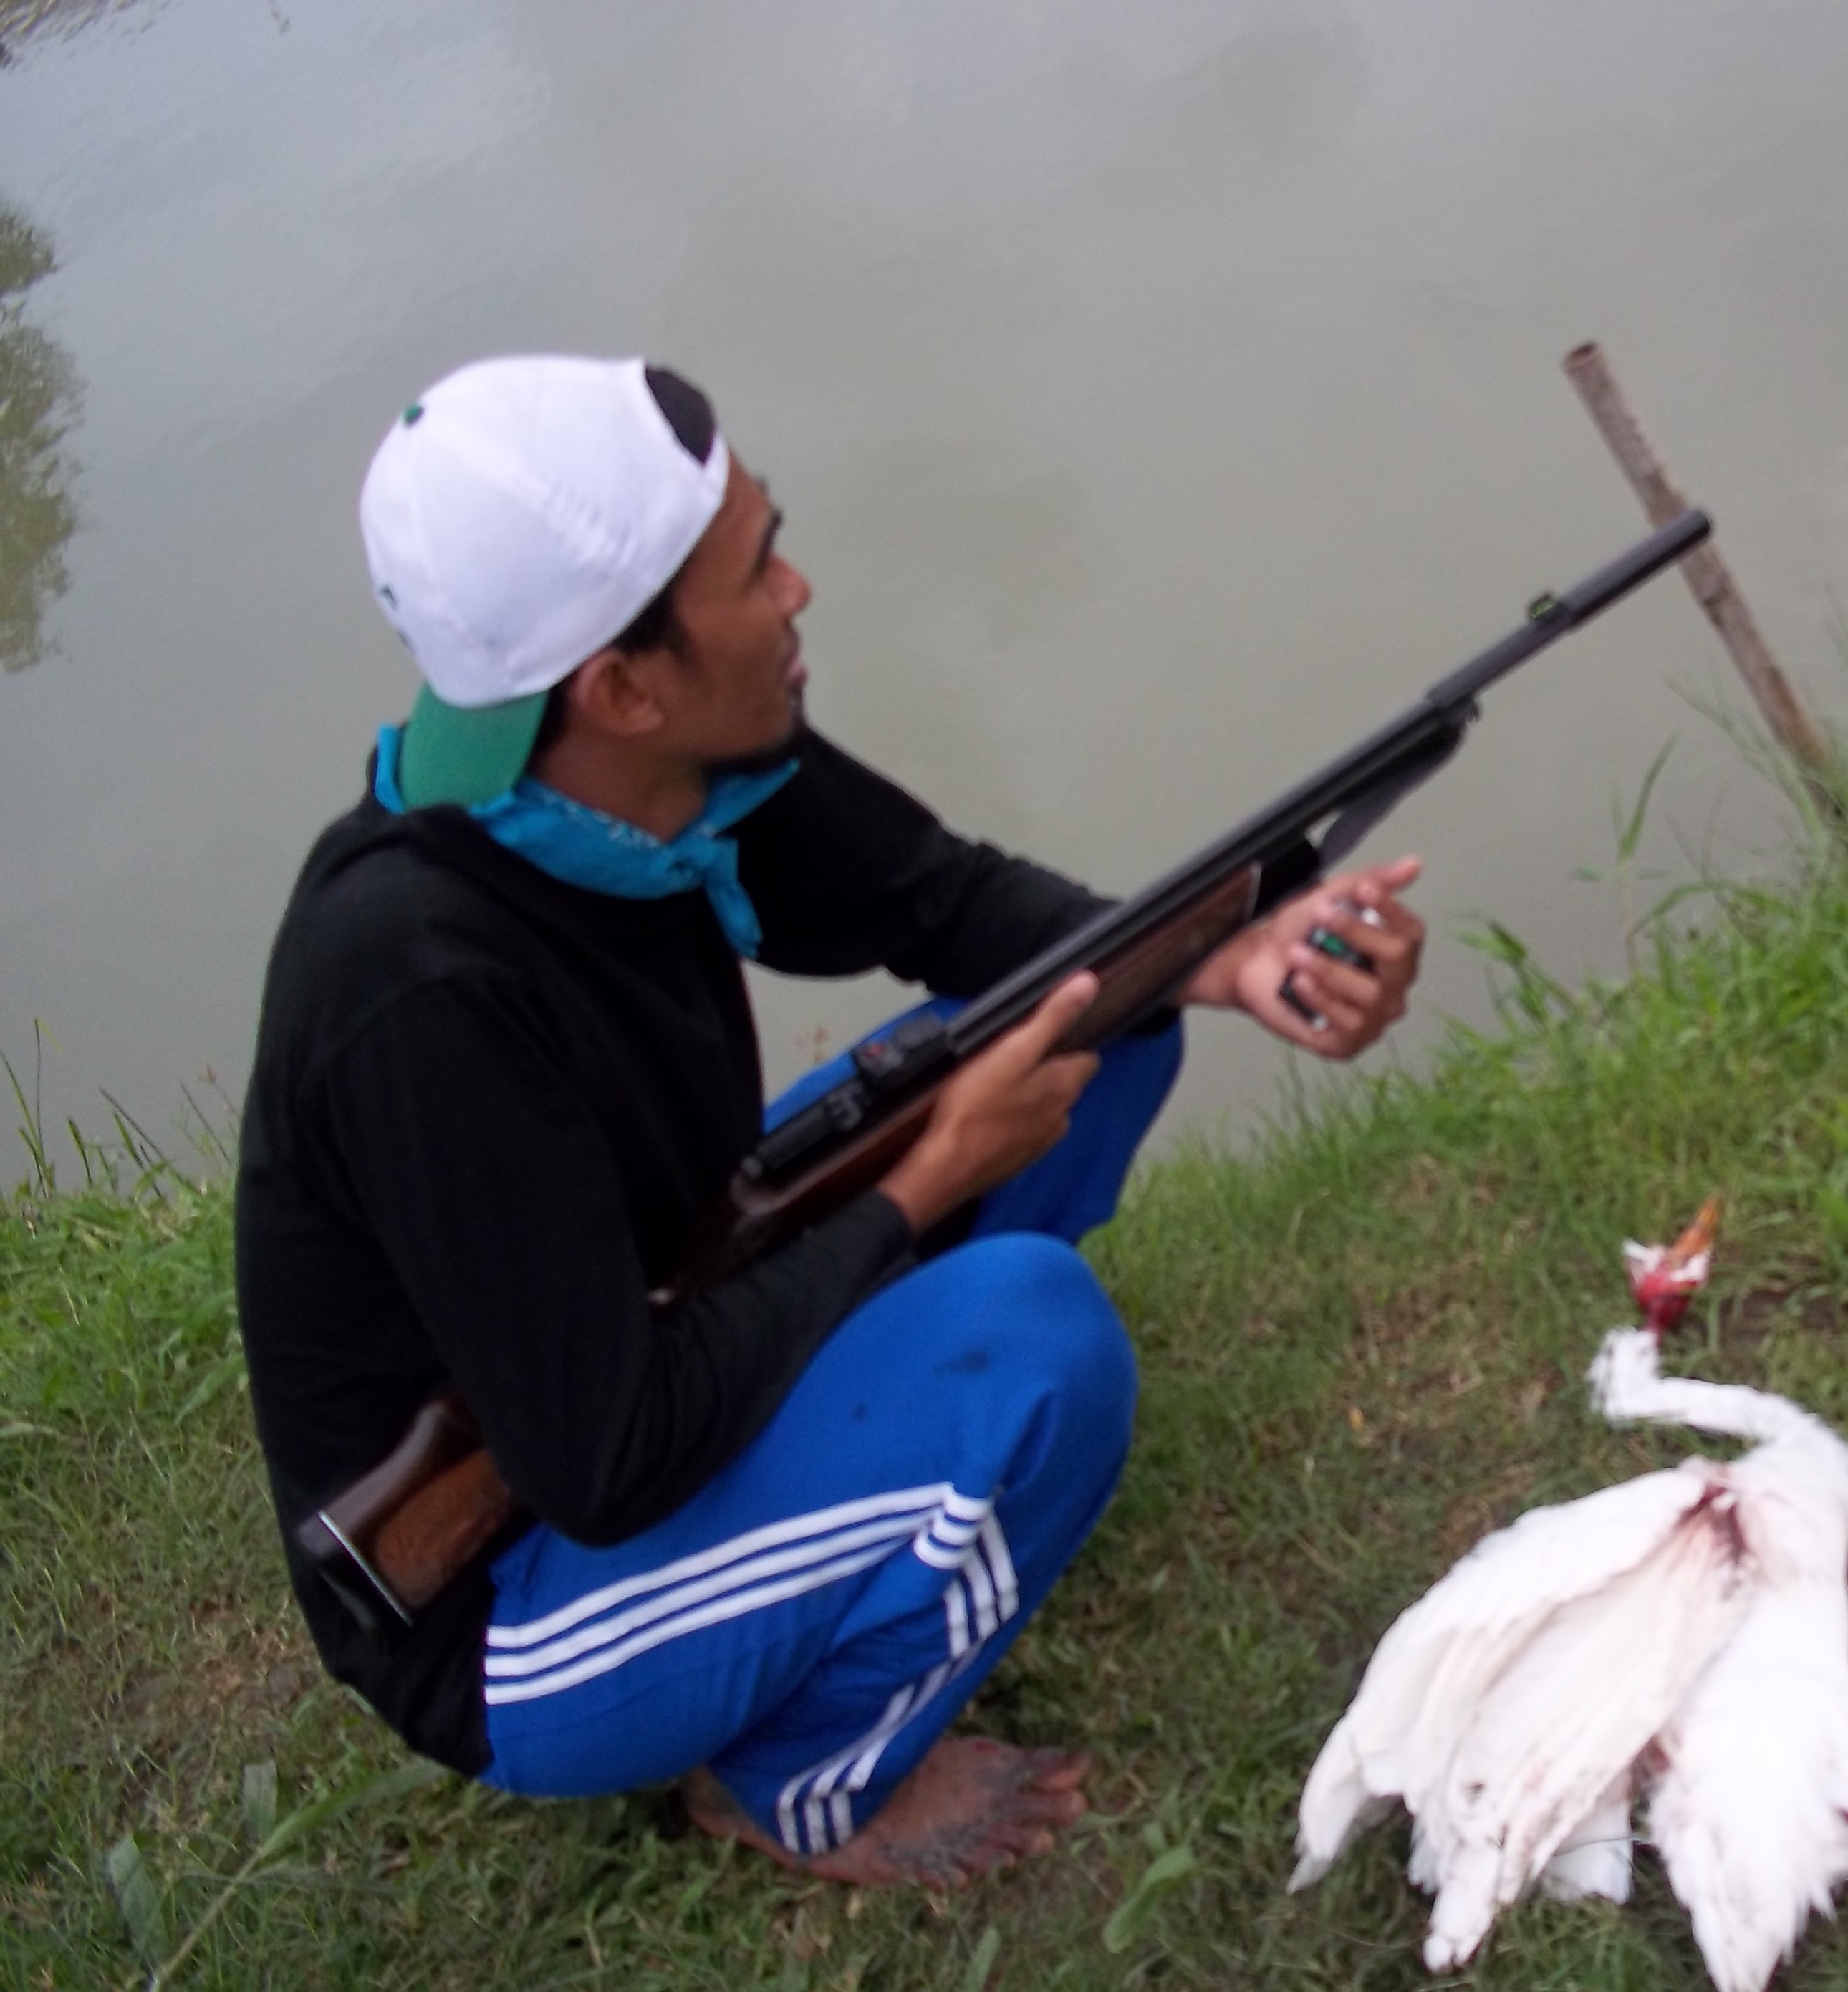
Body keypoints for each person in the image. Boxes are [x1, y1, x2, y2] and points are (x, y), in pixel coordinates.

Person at [234, 354, 1425, 1885]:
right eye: (753, 569)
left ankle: (905, 1450)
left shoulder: (660, 775)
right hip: (508, 1595)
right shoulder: (420, 996)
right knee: (1044, 1337)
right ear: (622, 682)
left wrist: (1235, 948)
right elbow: (606, 1459)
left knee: (1084, 1027)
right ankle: (795, 1782)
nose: (797, 589)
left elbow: (953, 906)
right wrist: (923, 1185)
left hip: (655, 1316)